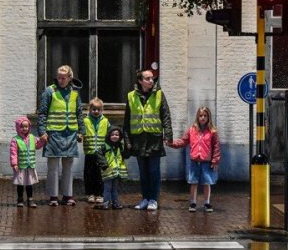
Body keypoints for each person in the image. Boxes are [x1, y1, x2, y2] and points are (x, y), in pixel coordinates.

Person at [123, 69, 173, 211]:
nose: (151, 81)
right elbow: (127, 120)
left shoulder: (158, 94)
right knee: (143, 173)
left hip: (153, 139)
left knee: (154, 171)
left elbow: (166, 116)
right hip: (138, 139)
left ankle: (153, 199)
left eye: (152, 78)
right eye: (147, 78)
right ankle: (145, 198)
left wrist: (168, 135)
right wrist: (127, 140)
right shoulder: (131, 96)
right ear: (140, 81)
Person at [38, 65, 85, 206]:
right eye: (59, 77)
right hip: (53, 134)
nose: (61, 80)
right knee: (53, 167)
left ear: (70, 77)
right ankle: (53, 197)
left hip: (70, 133)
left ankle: (67, 196)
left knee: (68, 166)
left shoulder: (75, 93)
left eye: (64, 77)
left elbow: (79, 113)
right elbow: (42, 113)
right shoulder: (49, 91)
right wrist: (42, 132)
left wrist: (81, 131)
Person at [167, 106, 221, 212]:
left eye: (205, 116)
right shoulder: (192, 130)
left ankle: (207, 203)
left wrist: (215, 160)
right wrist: (171, 143)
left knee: (207, 182)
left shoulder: (212, 131)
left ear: (208, 117)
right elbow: (183, 141)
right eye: (201, 116)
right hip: (194, 161)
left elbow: (216, 147)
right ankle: (193, 202)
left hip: (206, 161)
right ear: (197, 117)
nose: (203, 118)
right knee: (193, 182)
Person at [10, 116, 45, 208]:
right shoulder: (15, 140)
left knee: (29, 184)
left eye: (26, 126)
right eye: (22, 127)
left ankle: (30, 199)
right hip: (21, 166)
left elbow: (37, 146)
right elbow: (13, 153)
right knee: (20, 184)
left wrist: (43, 141)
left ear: (29, 127)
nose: (25, 128)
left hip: (30, 165)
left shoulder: (32, 137)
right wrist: (14, 164)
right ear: (18, 127)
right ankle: (20, 199)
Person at [83, 97, 110, 204]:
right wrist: (79, 137)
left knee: (100, 175)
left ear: (101, 110)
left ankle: (99, 194)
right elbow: (80, 132)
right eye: (94, 109)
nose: (96, 111)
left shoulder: (105, 121)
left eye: (98, 109)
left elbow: (109, 134)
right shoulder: (85, 120)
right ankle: (90, 194)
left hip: (101, 153)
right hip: (89, 152)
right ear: (90, 109)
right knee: (89, 174)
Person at [95, 125, 128, 210]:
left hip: (117, 171)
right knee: (107, 189)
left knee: (115, 189)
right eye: (112, 134)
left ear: (120, 136)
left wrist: (128, 148)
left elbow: (125, 155)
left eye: (117, 135)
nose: (114, 136)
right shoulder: (105, 146)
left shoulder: (120, 146)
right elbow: (99, 155)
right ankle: (106, 203)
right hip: (108, 171)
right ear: (108, 135)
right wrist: (104, 165)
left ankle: (115, 203)